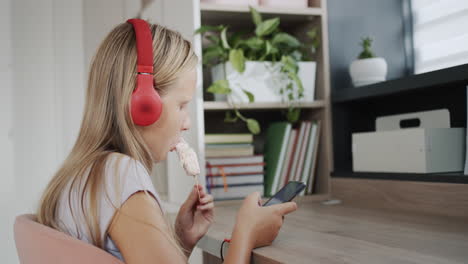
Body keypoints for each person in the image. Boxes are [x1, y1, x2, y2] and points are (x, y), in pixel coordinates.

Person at [37, 19, 298, 264]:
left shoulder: (85, 174)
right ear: (142, 104)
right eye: (182, 105)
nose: (187, 123)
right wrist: (246, 232)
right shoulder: (120, 176)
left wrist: (181, 241)